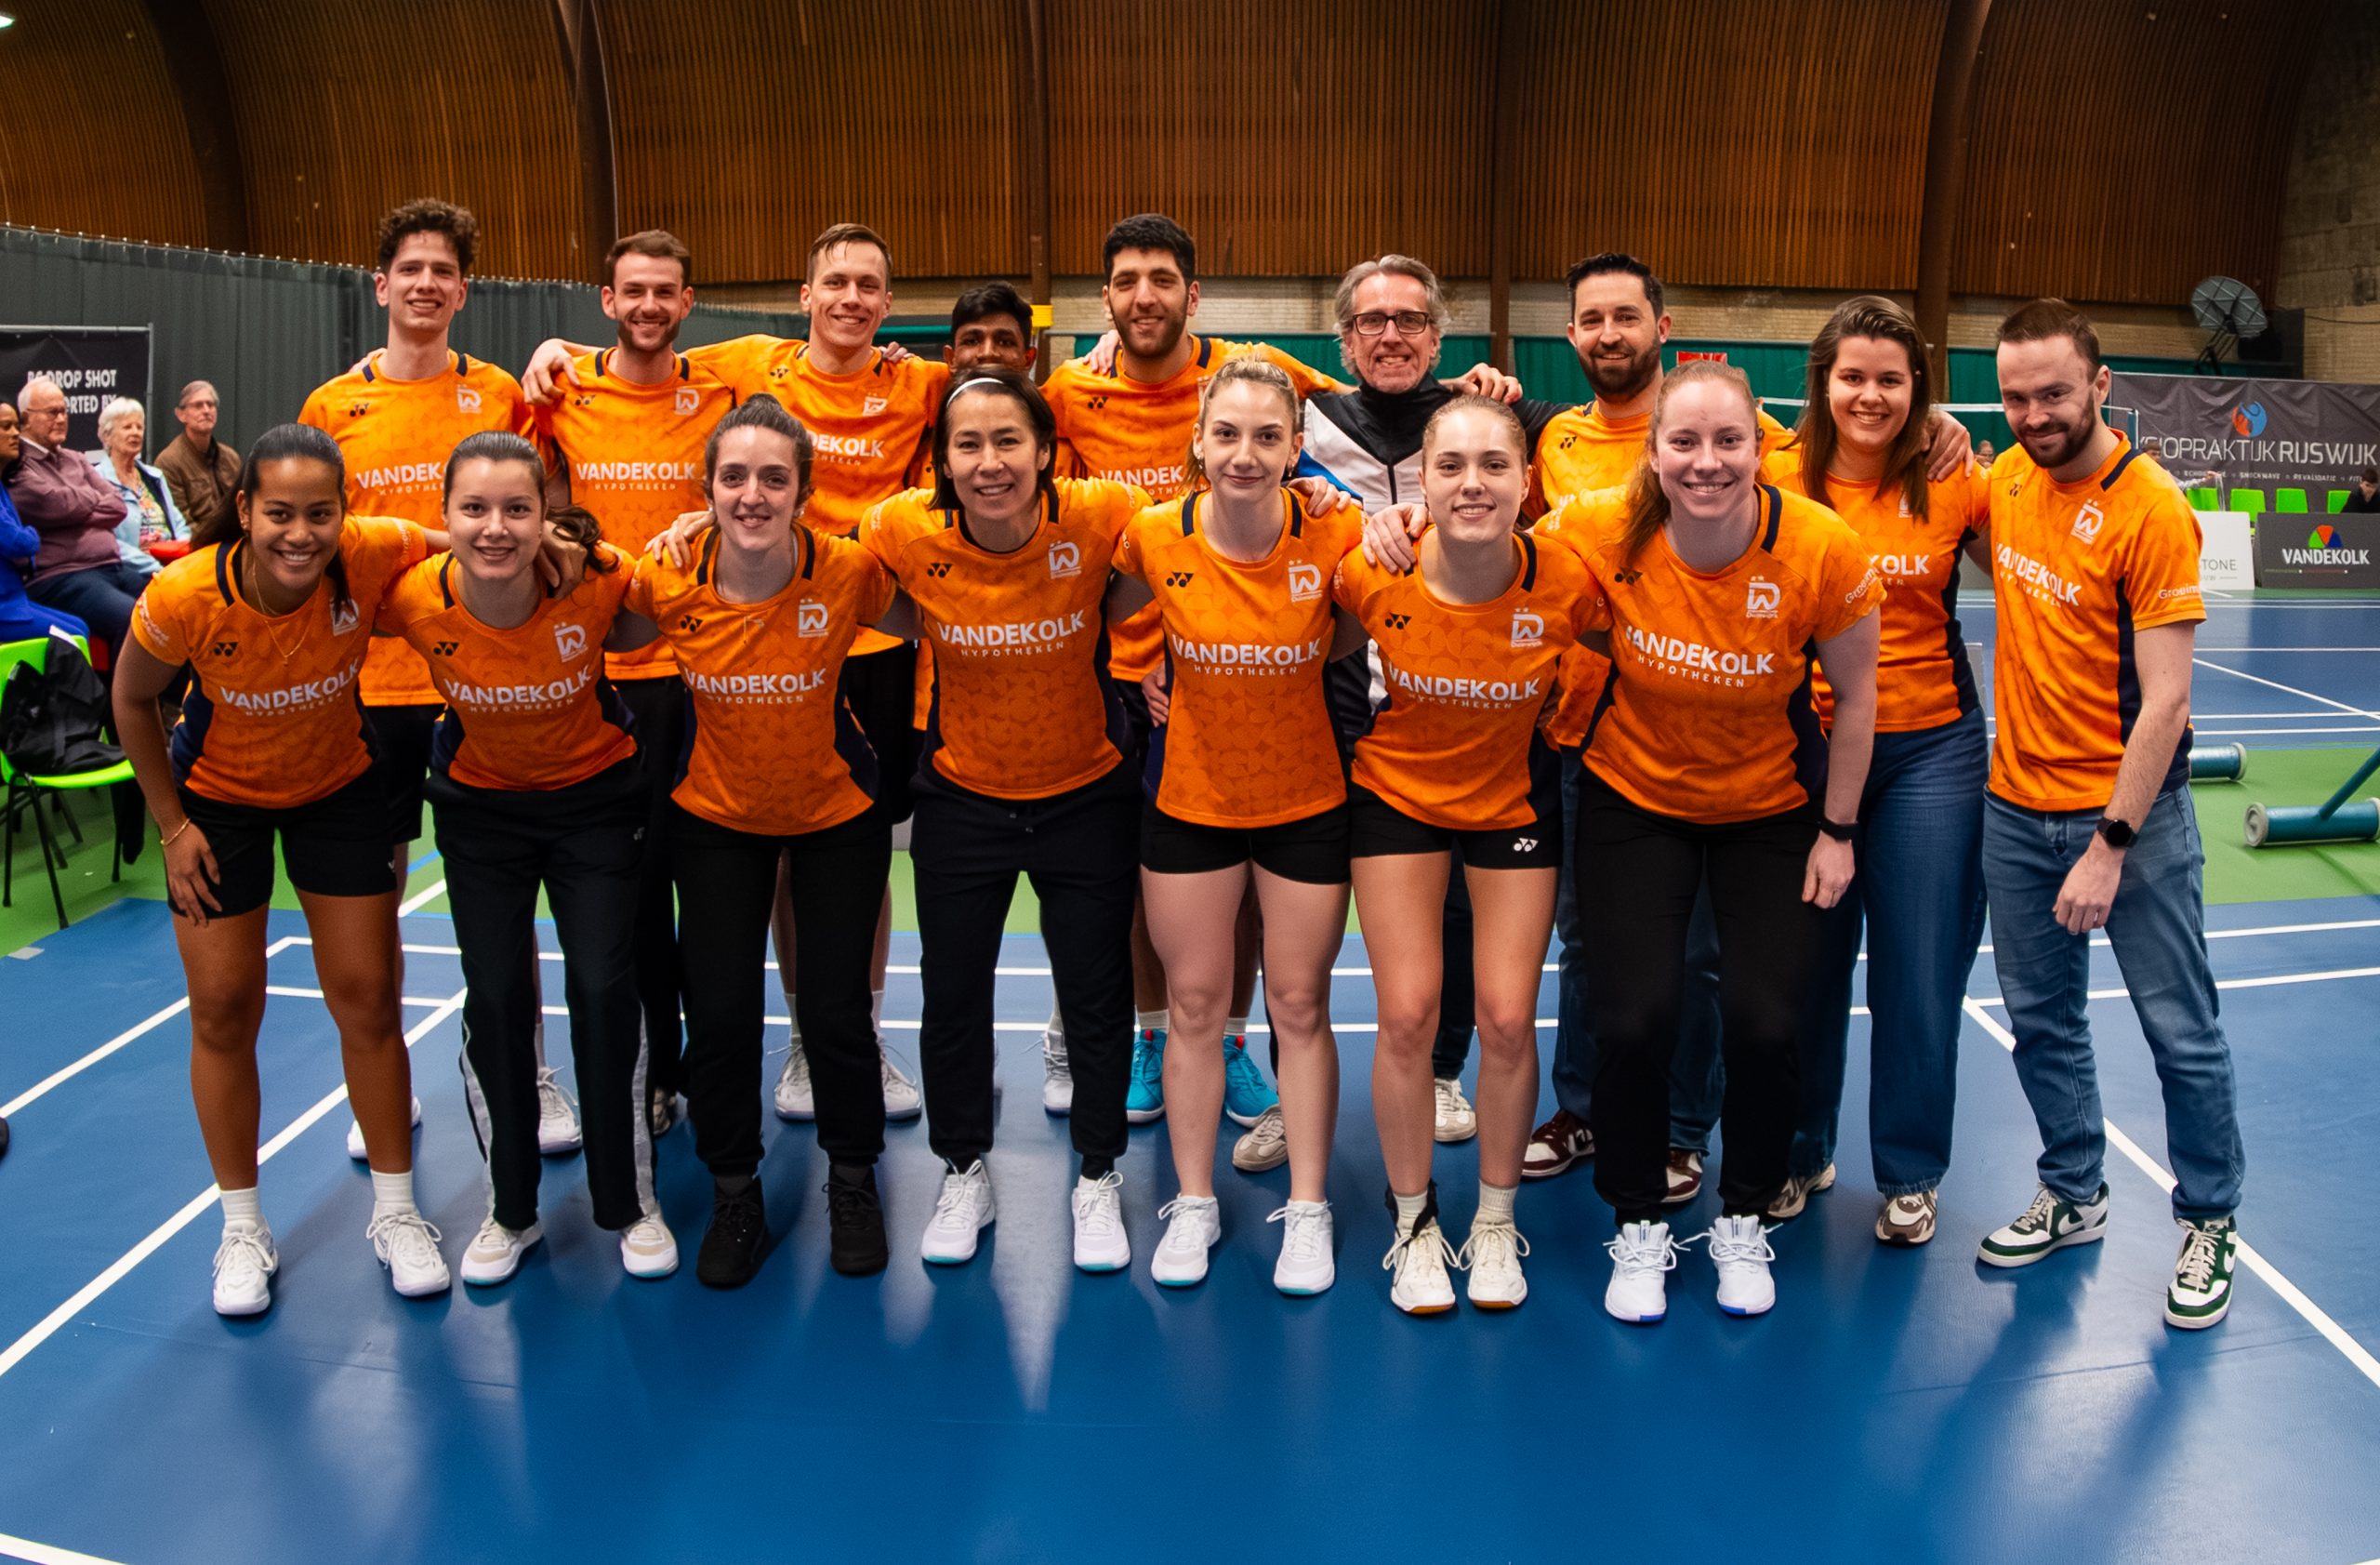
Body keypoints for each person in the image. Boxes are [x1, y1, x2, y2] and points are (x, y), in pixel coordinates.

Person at [526, 221, 944, 1127]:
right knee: (726, 861)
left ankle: (846, 1036)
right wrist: (559, 349)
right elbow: (643, 347)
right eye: (835, 281)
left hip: (866, 642)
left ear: (887, 300)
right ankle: (713, 1057)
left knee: (852, 864)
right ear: (804, 295)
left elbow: (1007, 390)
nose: (850, 298)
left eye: (868, 285)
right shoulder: (750, 363)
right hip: (736, 647)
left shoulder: (922, 382)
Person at [1540, 361, 1882, 1323]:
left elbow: (1858, 698)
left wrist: (1838, 831)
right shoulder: (1598, 527)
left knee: (1767, 1024)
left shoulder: (1819, 548)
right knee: (1634, 1021)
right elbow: (1491, 558)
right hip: (1633, 797)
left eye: (1728, 441)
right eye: (1683, 442)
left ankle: (1743, 1216)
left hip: (1769, 809)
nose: (1706, 462)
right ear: (1652, 454)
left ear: (1760, 450)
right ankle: (1637, 1222)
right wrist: (1400, 523)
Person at [109, 422, 448, 1314]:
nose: (301, 534)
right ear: (246, 510)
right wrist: (172, 827)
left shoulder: (370, 550)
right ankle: (242, 1226)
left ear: (344, 513)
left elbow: (469, 539)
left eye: (320, 514)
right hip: (216, 804)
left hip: (338, 788)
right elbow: (132, 697)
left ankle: (397, 1211)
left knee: (367, 997)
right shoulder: (186, 595)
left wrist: (551, 543)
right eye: (281, 514)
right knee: (224, 1006)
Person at [1977, 298, 2243, 1330]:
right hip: (2014, 808)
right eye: (2014, 397)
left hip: (2130, 822)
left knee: (2180, 1030)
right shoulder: (2006, 478)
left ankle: (2209, 1218)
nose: (2034, 414)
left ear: (2099, 384)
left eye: (2053, 393)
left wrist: (2108, 846)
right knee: (2042, 1024)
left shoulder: (2151, 507)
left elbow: (2167, 703)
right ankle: (2073, 1191)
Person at [298, 197, 577, 1162]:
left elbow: (545, 515)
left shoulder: (500, 394)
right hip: (370, 690)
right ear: (381, 285)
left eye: (443, 271)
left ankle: (525, 1071)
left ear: (464, 290)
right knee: (367, 907)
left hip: (484, 685)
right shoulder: (332, 407)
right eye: (409, 269)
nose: (425, 284)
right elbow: (319, 544)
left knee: (502, 901)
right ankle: (383, 1085)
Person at [863, 367, 1148, 1271]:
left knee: (1095, 995)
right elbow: (822, 565)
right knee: (952, 995)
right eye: (969, 445)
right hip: (962, 800)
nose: (990, 462)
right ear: (943, 462)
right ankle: (962, 1168)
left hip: (1085, 795)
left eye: (1008, 441)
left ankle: (1097, 1173)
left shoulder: (1102, 514)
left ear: (1045, 450)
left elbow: (1186, 544)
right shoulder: (901, 528)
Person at [376, 431, 673, 1286]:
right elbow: (339, 558)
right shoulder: (414, 597)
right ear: (445, 516)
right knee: (498, 997)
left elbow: (666, 594)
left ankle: (629, 1203)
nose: (496, 527)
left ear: (547, 515)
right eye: (474, 508)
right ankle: (511, 1209)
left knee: (604, 989)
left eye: (517, 508)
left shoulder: (596, 575)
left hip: (595, 806)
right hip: (481, 814)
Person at [633, 396, 913, 1286]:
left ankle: (854, 1180)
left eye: (772, 478)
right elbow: (601, 617)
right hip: (715, 818)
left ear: (803, 491)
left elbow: (936, 604)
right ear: (707, 489)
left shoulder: (849, 570)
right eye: (733, 477)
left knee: (835, 1013)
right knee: (719, 1016)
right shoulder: (667, 576)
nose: (752, 494)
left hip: (837, 813)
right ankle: (734, 1191)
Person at [1106, 356, 1364, 1294]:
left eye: (1266, 436)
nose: (1245, 454)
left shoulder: (1336, 528)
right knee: (1193, 1007)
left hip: (1305, 804)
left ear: (1296, 449)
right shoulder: (1154, 533)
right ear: (1199, 443)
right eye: (1227, 434)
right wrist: (1145, 668)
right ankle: (1194, 1201)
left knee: (1298, 1006)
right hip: (1191, 804)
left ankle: (1309, 1206)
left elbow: (1351, 625)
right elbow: (1107, 610)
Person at [1296, 255, 1564, 1152]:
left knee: (1458, 918)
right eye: (1370, 322)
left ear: (1439, 337)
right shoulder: (1304, 420)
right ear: (1344, 340)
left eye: (1410, 320)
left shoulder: (1496, 412)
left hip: (1471, 719)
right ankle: (1291, 1080)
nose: (1390, 335)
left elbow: (1634, 429)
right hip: (1340, 713)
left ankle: (1445, 1069)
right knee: (1305, 916)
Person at [1337, 396, 1591, 1314]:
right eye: (1450, 466)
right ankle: (1412, 1225)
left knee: (1508, 1019)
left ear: (1527, 482)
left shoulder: (1567, 581)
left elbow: (1625, 641)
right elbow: (1294, 635)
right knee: (1408, 1015)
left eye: (1493, 465)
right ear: (1422, 481)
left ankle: (1492, 1218)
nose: (1472, 483)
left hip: (1511, 807)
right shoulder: (1372, 570)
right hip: (1396, 799)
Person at [1761, 297, 1991, 1243]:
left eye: (1891, 380)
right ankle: (1799, 1150)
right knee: (1802, 968)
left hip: (1931, 748)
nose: (1870, 396)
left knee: (1919, 969)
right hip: (1805, 750)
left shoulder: (1954, 476)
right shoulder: (1773, 474)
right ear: (1822, 383)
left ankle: (1909, 1172)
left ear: (1919, 390)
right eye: (1852, 376)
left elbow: (2038, 553)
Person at [532, 228, 735, 1139]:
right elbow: (534, 501)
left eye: (666, 292)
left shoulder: (725, 392)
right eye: (633, 292)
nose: (650, 305)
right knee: (638, 888)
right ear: (608, 301)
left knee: (715, 884)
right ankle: (657, 1068)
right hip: (607, 677)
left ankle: (718, 1069)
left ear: (687, 302)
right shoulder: (561, 392)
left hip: (708, 672)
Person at [7, 378, 139, 663]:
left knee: (171, 608)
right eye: (52, 412)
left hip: (111, 566)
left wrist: (74, 511)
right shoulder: (17, 465)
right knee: (133, 620)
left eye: (64, 411)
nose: (61, 419)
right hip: (62, 576)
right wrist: (89, 499)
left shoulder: (75, 458)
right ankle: (122, 694)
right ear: (26, 419)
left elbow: (117, 505)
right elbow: (53, 503)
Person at [0, 402, 93, 643]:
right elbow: (19, 543)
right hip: (5, 608)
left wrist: (26, 533)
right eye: (6, 426)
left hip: (15, 600)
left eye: (16, 426)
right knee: (73, 638)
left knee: (81, 627)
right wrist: (32, 531)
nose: (15, 434)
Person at [89, 397, 183, 574]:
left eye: (139, 427)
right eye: (127, 427)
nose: (136, 433)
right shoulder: (96, 480)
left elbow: (179, 524)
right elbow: (106, 542)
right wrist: (156, 568)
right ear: (107, 436)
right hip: (131, 570)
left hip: (173, 565)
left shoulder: (154, 477)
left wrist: (185, 555)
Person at [157, 380, 242, 538]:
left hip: (236, 539)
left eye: (210, 405)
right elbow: (181, 523)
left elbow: (244, 506)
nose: (206, 410)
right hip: (198, 543)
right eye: (198, 405)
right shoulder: (169, 461)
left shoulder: (231, 458)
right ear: (181, 415)